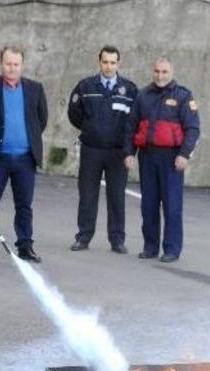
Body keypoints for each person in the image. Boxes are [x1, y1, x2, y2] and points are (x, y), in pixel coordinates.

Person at [123, 57, 200, 263]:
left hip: (172, 159)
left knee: (172, 205)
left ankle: (172, 249)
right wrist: (129, 153)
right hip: (148, 156)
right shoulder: (143, 96)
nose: (160, 75)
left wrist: (184, 154)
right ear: (152, 71)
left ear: (171, 72)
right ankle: (150, 247)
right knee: (148, 205)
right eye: (157, 71)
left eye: (164, 72)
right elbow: (131, 127)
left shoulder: (183, 96)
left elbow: (193, 129)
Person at [0, 46, 47, 263]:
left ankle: (25, 246)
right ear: (1, 63)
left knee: (24, 205)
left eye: (16, 64)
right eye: (8, 64)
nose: (12, 68)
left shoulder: (35, 89)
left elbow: (40, 120)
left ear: (22, 65)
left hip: (25, 158)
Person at [67, 45, 137, 254]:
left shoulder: (130, 90)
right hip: (92, 149)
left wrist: (129, 150)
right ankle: (83, 237)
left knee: (116, 196)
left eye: (113, 62)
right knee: (87, 195)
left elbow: (134, 122)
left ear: (118, 64)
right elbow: (74, 114)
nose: (108, 66)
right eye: (105, 62)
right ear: (99, 62)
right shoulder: (86, 86)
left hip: (118, 152)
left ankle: (117, 240)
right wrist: (90, 130)